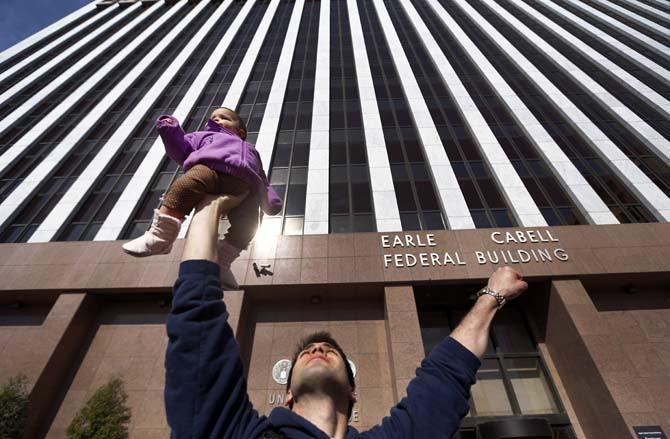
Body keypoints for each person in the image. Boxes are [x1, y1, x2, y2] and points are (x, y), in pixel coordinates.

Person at [165, 195, 528, 439]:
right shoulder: (236, 432)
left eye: (329, 350)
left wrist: (491, 297)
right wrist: (212, 200)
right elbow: (198, 326)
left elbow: (444, 380)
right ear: (287, 393)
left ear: (354, 390)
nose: (318, 349)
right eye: (307, 352)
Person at [122, 108, 282, 289]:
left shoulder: (252, 150)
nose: (218, 119)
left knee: (250, 222)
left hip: (245, 186)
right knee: (185, 186)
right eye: (214, 118)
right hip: (209, 169)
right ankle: (161, 236)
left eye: (224, 118)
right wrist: (170, 130)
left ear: (241, 131)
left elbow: (262, 177)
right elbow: (181, 148)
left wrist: (270, 199)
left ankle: (223, 261)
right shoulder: (204, 136)